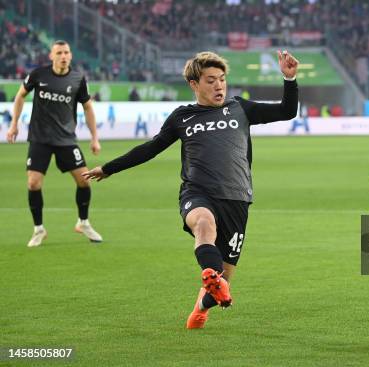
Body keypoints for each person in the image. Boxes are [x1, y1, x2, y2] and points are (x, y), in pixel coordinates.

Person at [82, 50, 299, 329]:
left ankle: (203, 303)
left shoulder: (240, 108)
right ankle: (210, 274)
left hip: (237, 198)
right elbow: (150, 148)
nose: (219, 85)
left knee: (224, 278)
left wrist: (289, 79)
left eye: (221, 79)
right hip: (197, 193)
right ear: (194, 84)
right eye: (210, 80)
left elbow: (287, 111)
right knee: (204, 225)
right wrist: (109, 167)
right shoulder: (182, 117)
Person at [6, 40, 103, 247]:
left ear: (71, 55)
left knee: (85, 180)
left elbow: (87, 107)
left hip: (66, 139)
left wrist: (94, 137)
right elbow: (20, 96)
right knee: (33, 183)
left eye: (66, 52)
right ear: (51, 56)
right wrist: (14, 124)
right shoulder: (38, 75)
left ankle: (83, 223)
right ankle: (39, 229)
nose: (63, 56)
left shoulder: (78, 79)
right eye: (59, 52)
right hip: (40, 138)